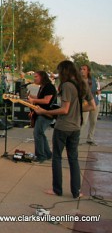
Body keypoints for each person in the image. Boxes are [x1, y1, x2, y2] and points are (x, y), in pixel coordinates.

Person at [34, 60, 96, 199]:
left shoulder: (67, 85)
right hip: (76, 128)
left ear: (64, 71)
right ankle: (76, 192)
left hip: (63, 127)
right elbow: (92, 106)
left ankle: (57, 189)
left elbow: (64, 109)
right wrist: (78, 111)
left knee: (57, 157)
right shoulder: (82, 84)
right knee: (73, 159)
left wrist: (44, 112)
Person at [28, 71, 57, 163]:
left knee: (37, 134)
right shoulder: (43, 87)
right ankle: (47, 154)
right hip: (41, 113)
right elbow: (41, 98)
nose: (34, 78)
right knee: (40, 134)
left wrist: (33, 100)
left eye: (36, 76)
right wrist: (31, 97)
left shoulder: (49, 86)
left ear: (42, 77)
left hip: (45, 113)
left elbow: (46, 101)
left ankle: (41, 156)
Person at [80, 64, 100, 145]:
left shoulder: (93, 80)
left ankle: (90, 139)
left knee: (93, 121)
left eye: (84, 69)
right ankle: (76, 138)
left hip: (94, 102)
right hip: (84, 103)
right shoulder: (79, 81)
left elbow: (96, 90)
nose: (82, 70)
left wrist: (98, 92)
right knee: (83, 122)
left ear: (88, 71)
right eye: (81, 69)